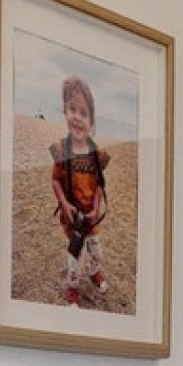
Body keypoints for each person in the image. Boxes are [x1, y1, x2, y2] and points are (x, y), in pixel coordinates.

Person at [50, 76, 111, 305]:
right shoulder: (61, 150)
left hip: (91, 218)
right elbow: (55, 180)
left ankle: (94, 272)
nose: (77, 117)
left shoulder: (97, 154)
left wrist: (95, 209)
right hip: (73, 218)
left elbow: (99, 184)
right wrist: (64, 205)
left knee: (96, 252)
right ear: (65, 111)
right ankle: (73, 289)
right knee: (74, 258)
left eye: (83, 113)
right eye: (72, 109)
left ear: (91, 121)